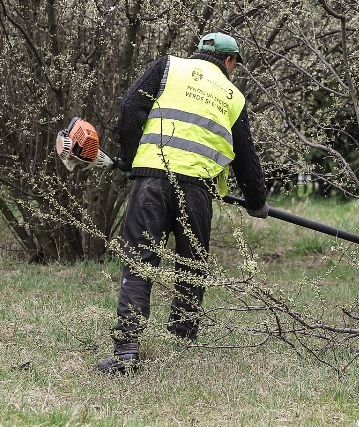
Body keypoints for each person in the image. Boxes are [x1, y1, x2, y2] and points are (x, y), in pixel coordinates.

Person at [98, 32, 269, 374]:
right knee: (192, 265)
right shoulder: (233, 95)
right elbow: (245, 156)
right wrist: (257, 201)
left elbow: (130, 109)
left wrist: (131, 160)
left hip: (151, 182)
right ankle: (183, 339)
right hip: (197, 191)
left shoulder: (168, 67)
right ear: (229, 61)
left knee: (140, 262)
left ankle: (127, 349)